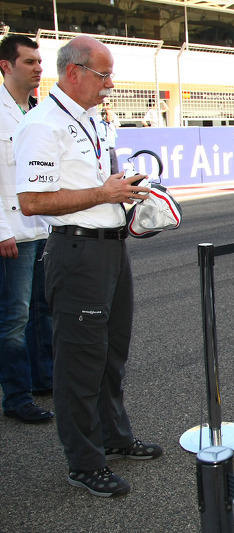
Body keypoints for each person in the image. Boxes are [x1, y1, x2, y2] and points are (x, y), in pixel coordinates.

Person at [15, 35, 162, 498]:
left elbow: (95, 185)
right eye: (103, 75)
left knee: (111, 354)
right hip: (77, 254)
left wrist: (122, 187)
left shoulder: (92, 120)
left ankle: (113, 436)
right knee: (79, 361)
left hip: (111, 248)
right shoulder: (43, 124)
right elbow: (32, 201)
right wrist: (104, 194)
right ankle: (83, 462)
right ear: (74, 72)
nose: (110, 84)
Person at [0, 35, 54, 423]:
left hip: (42, 227)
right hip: (12, 231)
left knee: (42, 310)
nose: (38, 68)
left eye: (39, 61)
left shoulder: (38, 111)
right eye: (29, 62)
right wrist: (1, 229)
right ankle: (16, 397)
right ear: (6, 65)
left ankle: (43, 378)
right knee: (14, 318)